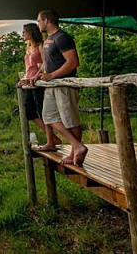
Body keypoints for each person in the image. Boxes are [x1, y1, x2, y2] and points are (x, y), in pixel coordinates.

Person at [34, 9, 88, 166]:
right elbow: (47, 62)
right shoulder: (49, 39)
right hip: (52, 84)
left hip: (64, 84)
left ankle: (74, 152)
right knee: (48, 116)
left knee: (70, 119)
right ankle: (77, 146)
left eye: (39, 21)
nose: (38, 24)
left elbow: (72, 62)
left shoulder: (62, 37)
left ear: (47, 20)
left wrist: (53, 75)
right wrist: (38, 74)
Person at [17, 23, 61, 150]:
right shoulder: (28, 47)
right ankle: (53, 137)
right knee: (28, 110)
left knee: (43, 111)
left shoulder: (41, 45)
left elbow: (44, 64)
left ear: (31, 32)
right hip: (29, 83)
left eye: (25, 31)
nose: (23, 34)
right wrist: (23, 79)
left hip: (39, 81)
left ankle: (50, 142)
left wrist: (35, 76)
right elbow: (28, 67)